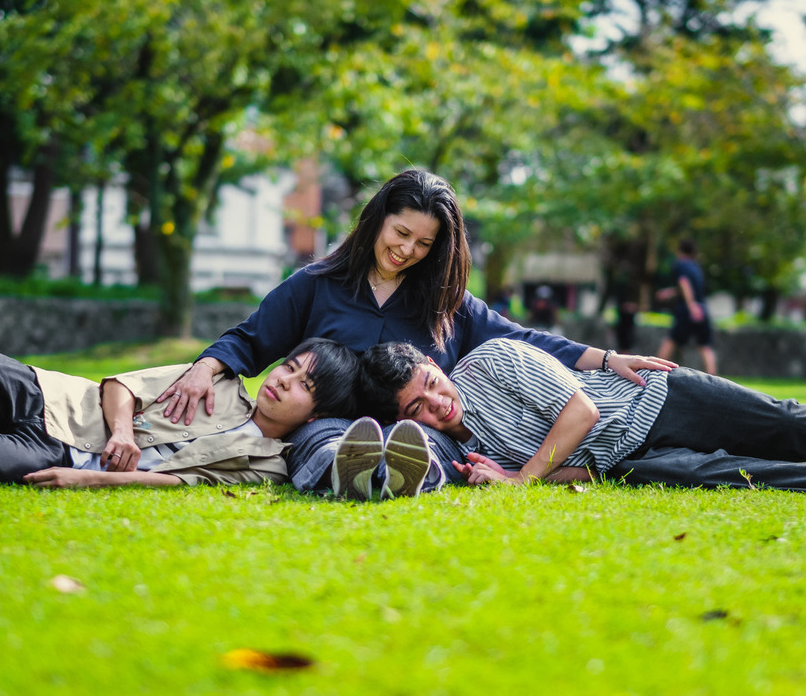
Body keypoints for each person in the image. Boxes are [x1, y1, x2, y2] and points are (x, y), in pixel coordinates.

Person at [154, 168, 675, 498]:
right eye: (401, 233)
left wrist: (606, 360)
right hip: (331, 420)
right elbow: (251, 338)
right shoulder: (315, 285)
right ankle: (349, 474)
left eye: (424, 244)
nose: (407, 250)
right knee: (324, 441)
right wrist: (206, 366)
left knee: (421, 446)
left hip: (417, 428)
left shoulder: (446, 304)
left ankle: (399, 476)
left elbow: (527, 340)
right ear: (377, 221)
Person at [357, 338, 806, 496]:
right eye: (416, 408)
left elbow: (580, 410)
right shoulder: (466, 445)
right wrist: (526, 476)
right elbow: (578, 467)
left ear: (436, 367)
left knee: (788, 422)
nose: (435, 405)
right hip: (630, 459)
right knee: (748, 474)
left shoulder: (493, 358)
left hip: (661, 399)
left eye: (430, 386)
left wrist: (523, 476)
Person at [0, 335, 357, 488]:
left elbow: (184, 483)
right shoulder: (218, 382)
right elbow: (119, 384)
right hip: (54, 396)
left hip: (61, 453)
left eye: (304, 384)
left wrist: (84, 478)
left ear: (314, 416)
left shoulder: (271, 461)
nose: (284, 381)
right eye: (290, 367)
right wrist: (123, 431)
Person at [656, 238, 716, 375]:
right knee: (705, 345)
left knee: (671, 340)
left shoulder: (680, 264)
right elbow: (688, 287)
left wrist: (691, 306)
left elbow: (684, 283)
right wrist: (671, 292)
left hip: (688, 310)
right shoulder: (696, 267)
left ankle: (655, 369)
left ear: (679, 250)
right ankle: (713, 377)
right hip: (702, 308)